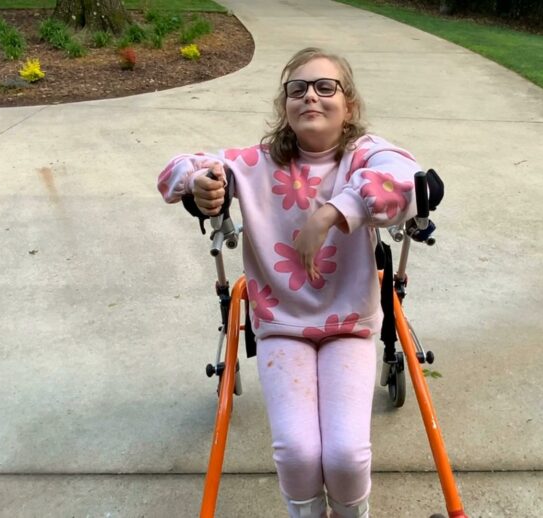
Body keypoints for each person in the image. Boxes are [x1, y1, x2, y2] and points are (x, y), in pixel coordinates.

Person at [157, 47, 421, 518]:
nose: (310, 97)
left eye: (325, 87)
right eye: (296, 89)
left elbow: (407, 179)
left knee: (345, 454)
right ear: (284, 106)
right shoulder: (254, 164)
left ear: (350, 106)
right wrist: (200, 181)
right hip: (282, 324)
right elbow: (176, 167)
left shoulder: (364, 154)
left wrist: (332, 211)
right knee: (298, 453)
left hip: (350, 323)